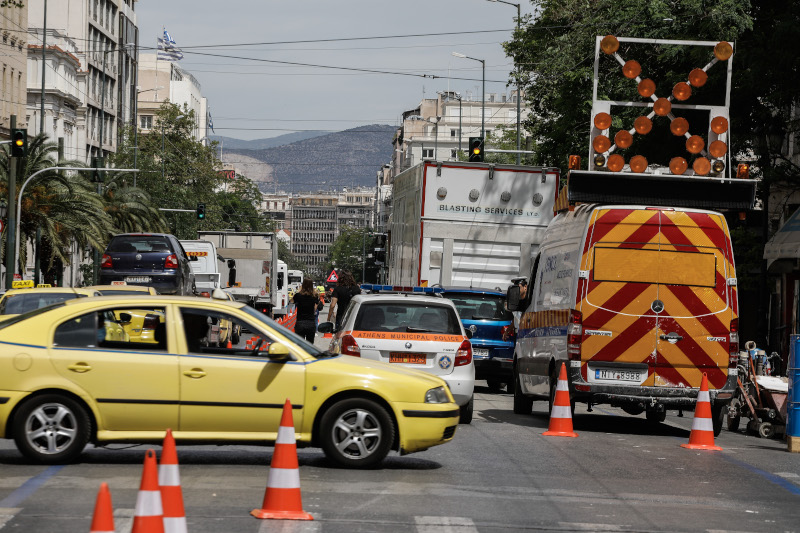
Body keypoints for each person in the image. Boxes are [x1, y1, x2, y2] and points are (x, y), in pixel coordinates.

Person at [293, 279, 323, 343]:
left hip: (300, 322)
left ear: (303, 285)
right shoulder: (314, 296)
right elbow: (315, 309)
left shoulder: (298, 296)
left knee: (300, 345)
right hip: (310, 323)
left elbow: (292, 301)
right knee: (309, 345)